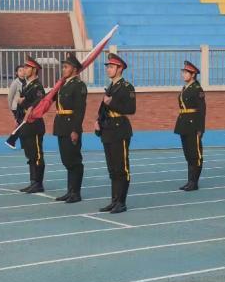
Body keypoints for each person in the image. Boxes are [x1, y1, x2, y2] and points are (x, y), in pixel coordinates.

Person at [96, 53, 136, 214]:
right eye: (108, 66)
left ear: (120, 69)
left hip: (120, 130)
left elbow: (131, 109)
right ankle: (114, 201)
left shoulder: (126, 87)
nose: (108, 69)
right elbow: (103, 108)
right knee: (112, 169)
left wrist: (111, 103)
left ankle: (121, 202)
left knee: (121, 168)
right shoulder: (111, 87)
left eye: (111, 67)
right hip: (108, 129)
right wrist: (98, 121)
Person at [53, 53, 88, 203]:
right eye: (63, 67)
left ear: (74, 69)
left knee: (74, 161)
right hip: (61, 125)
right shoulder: (63, 84)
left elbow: (80, 110)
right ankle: (70, 191)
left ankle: (76, 192)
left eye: (66, 67)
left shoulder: (79, 85)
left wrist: (75, 129)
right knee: (66, 160)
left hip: (71, 126)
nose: (63, 69)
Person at [175, 61, 206, 192]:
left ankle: (194, 182)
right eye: (183, 72)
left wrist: (200, 128)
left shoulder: (197, 89)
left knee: (195, 154)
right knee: (188, 154)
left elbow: (202, 110)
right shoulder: (185, 88)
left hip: (193, 125)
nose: (183, 74)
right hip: (184, 124)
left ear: (193, 75)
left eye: (186, 72)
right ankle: (190, 181)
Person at [17, 57, 46, 194]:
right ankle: (33, 182)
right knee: (30, 154)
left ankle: (38, 183)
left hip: (34, 124)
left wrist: (26, 103)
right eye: (25, 67)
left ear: (34, 70)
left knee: (37, 155)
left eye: (27, 67)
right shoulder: (26, 85)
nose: (25, 69)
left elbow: (40, 100)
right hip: (25, 123)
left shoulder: (37, 86)